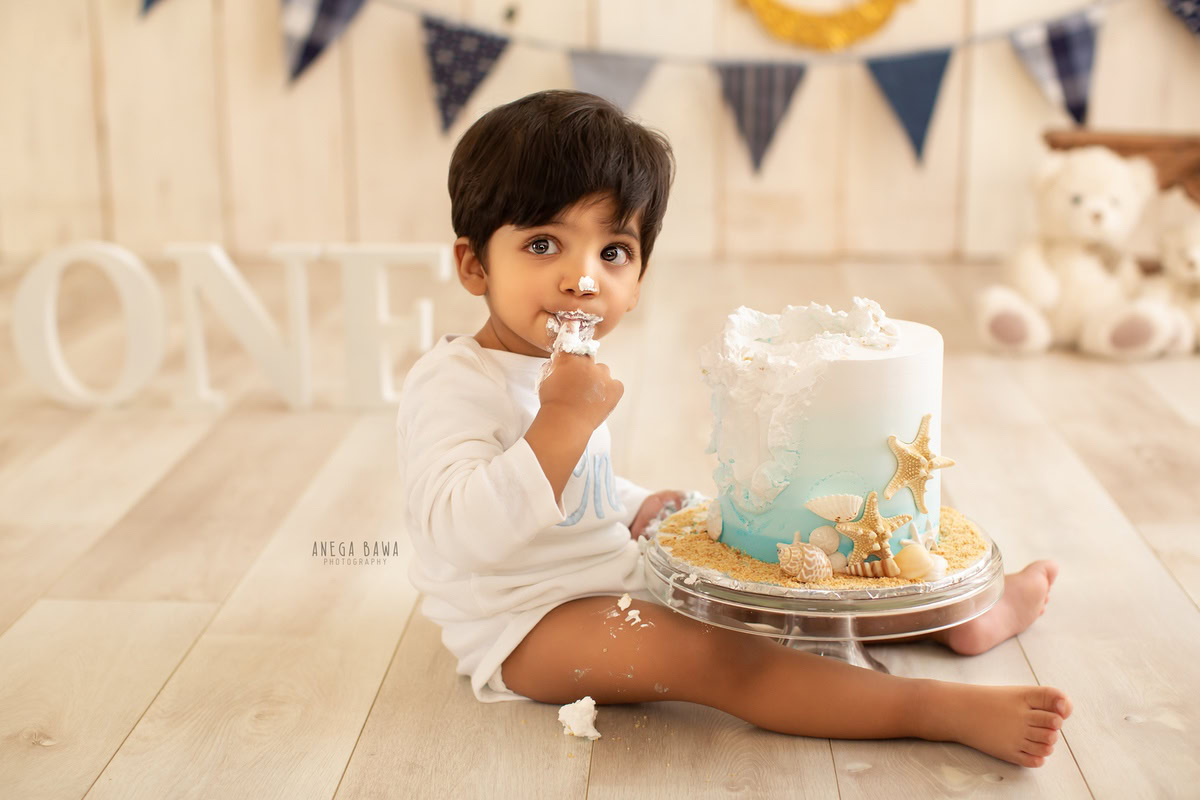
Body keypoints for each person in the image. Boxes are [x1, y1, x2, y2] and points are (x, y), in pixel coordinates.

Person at [396, 89, 1069, 768]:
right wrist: (564, 420)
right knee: (720, 659)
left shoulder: (562, 366)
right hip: (524, 625)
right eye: (544, 244)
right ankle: (929, 710)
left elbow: (575, 487)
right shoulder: (455, 383)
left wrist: (633, 504)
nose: (582, 279)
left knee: (785, 590)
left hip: (612, 573)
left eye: (613, 252)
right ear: (474, 264)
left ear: (640, 275)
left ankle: (958, 622)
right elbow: (461, 534)